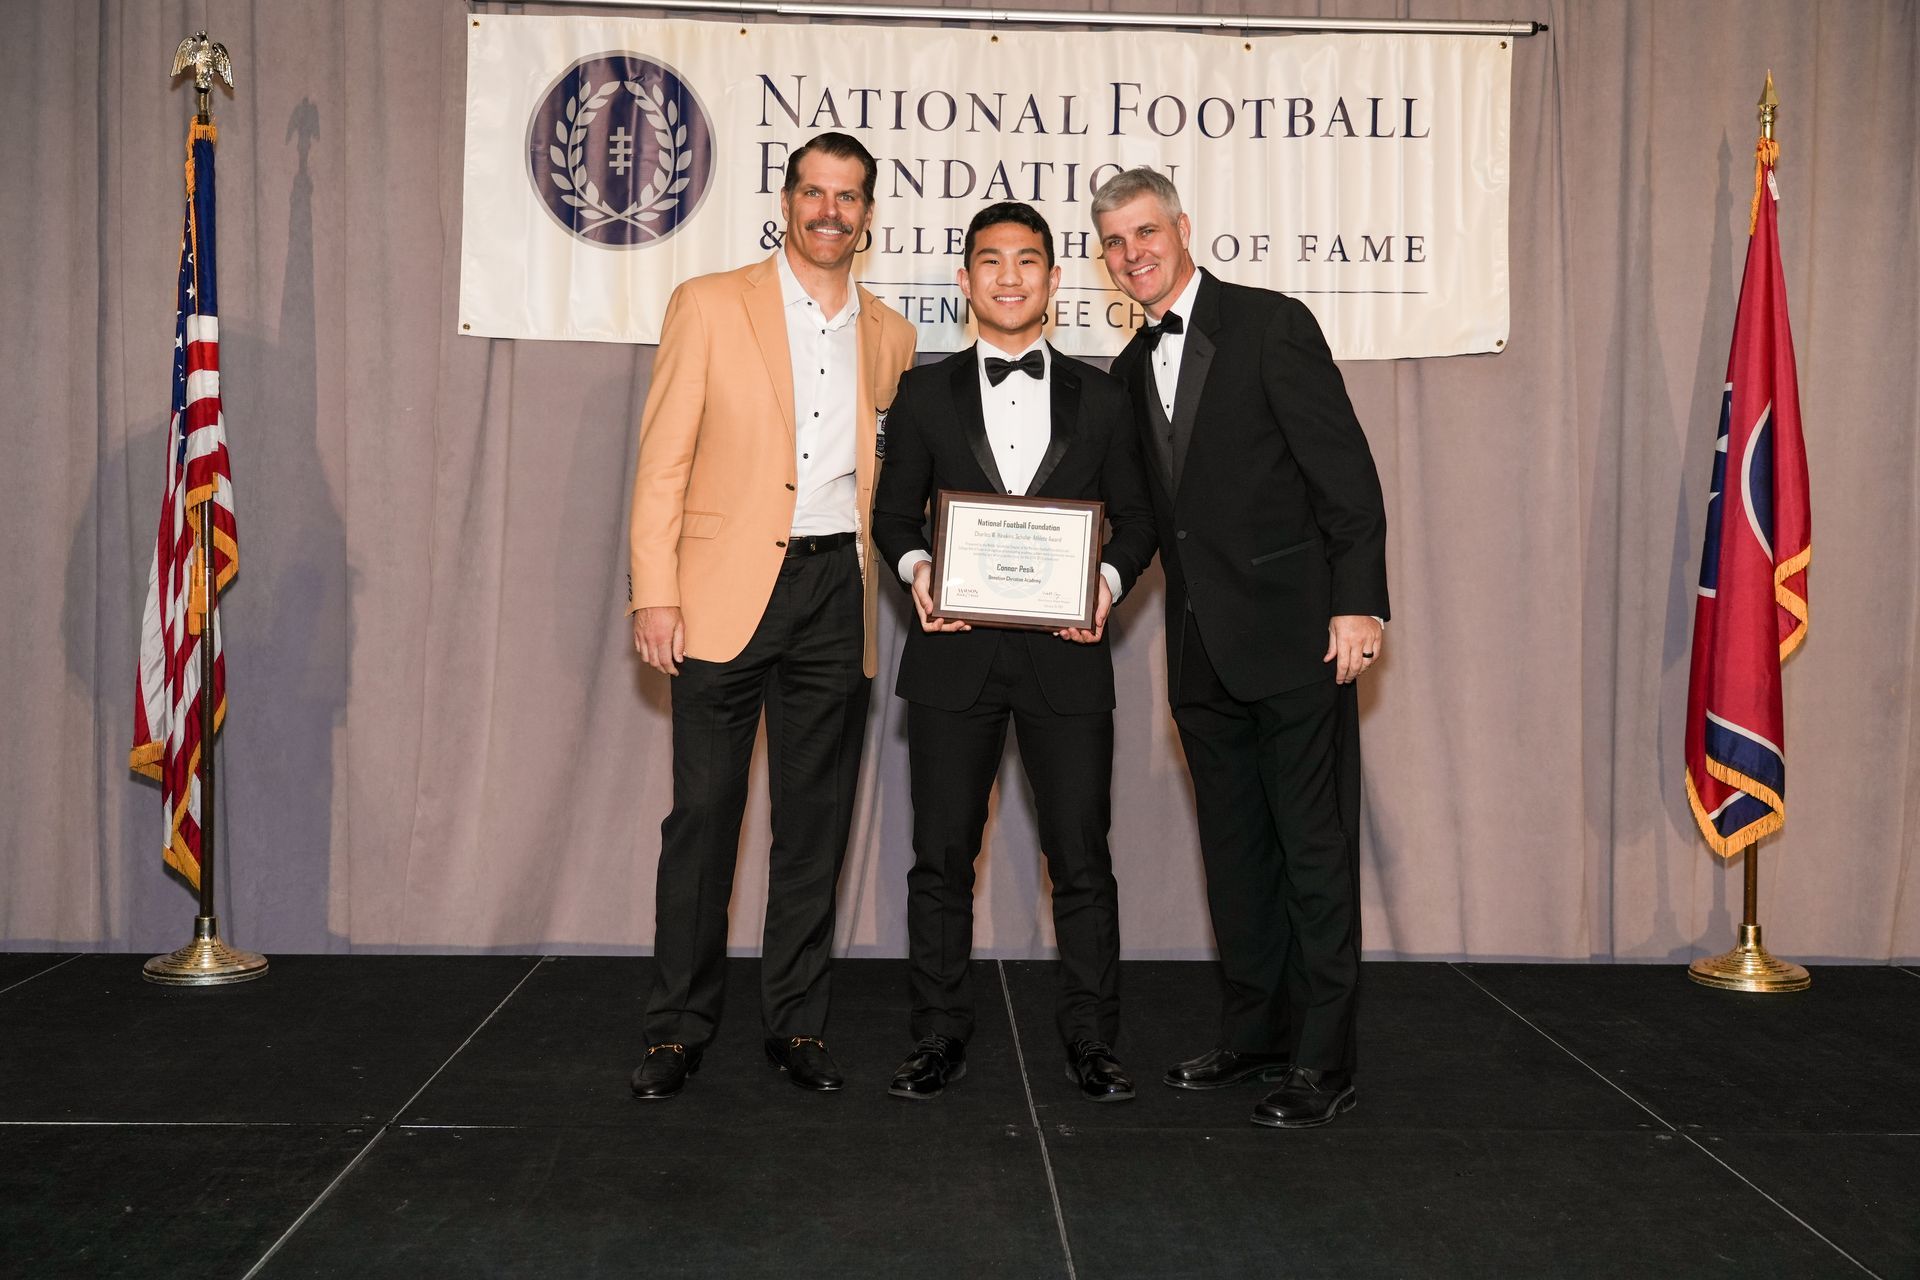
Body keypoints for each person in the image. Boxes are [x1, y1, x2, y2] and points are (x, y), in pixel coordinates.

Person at [1091, 168, 1389, 1128]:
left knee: (1312, 852)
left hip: (1298, 638)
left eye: (1145, 232)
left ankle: (1325, 1061)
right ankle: (1257, 1032)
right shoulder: (1127, 372)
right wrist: (1094, 585)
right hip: (1198, 652)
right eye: (1115, 242)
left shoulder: (1270, 324)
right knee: (1235, 855)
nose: (1133, 254)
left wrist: (1359, 605)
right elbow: (1149, 522)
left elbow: (1346, 475)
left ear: (1183, 228)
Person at [626, 132, 917, 1100]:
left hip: (838, 593)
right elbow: (662, 460)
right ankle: (677, 1029)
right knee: (704, 820)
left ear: (867, 216)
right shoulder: (710, 304)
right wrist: (654, 589)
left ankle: (796, 1022)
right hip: (720, 593)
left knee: (813, 827)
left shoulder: (890, 335)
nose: (830, 211)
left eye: (849, 196)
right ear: (787, 201)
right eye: (815, 192)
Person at [871, 202, 1158, 1103]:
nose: (1008, 276)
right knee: (940, 858)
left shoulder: (1105, 398)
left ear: (1053, 279)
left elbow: (1139, 521)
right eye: (990, 261)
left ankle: (1093, 1039)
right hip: (952, 655)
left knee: (1082, 859)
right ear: (965, 279)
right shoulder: (922, 394)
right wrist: (918, 570)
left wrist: (1103, 585)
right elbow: (891, 517)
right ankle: (937, 1033)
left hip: (1066, 660)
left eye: (1027, 260)